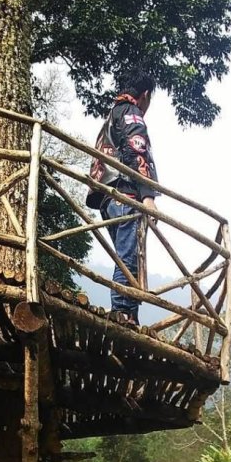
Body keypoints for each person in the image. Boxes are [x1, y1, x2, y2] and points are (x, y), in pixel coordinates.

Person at [86, 68, 159, 325]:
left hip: (107, 196)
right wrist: (148, 195)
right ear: (145, 95)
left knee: (126, 254)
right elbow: (136, 150)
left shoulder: (112, 115)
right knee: (129, 256)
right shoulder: (131, 114)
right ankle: (122, 313)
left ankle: (129, 313)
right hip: (125, 193)